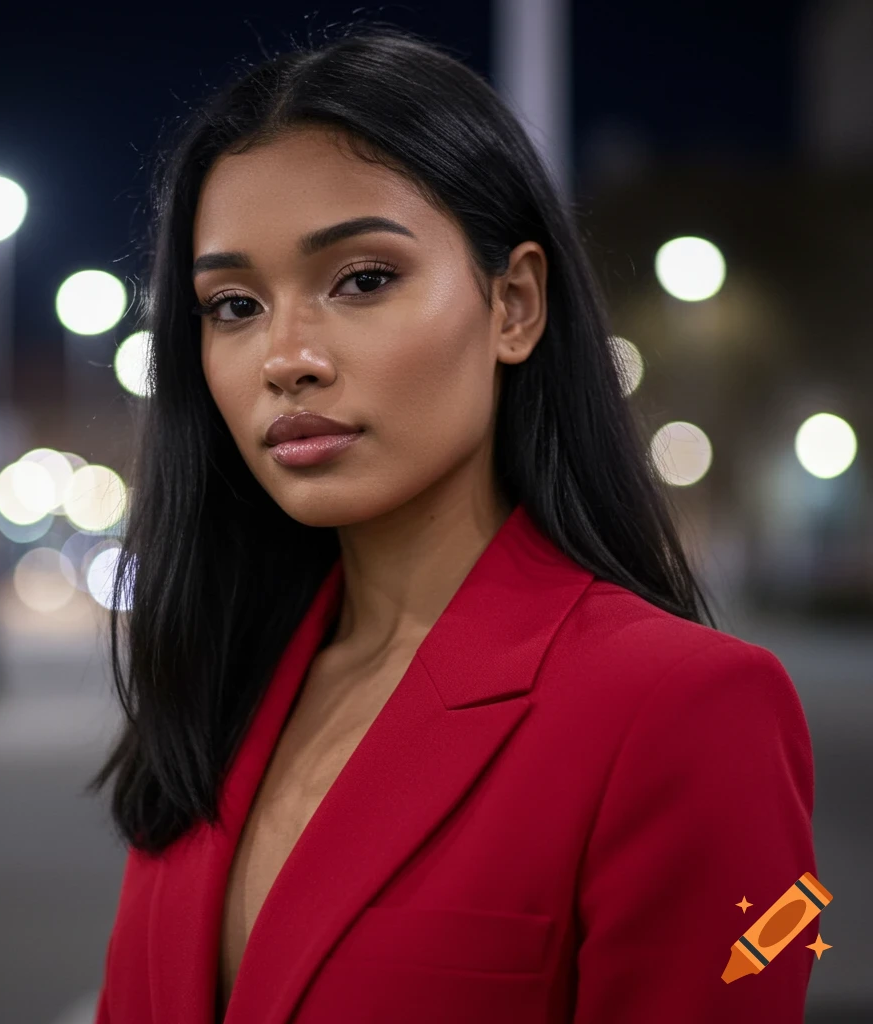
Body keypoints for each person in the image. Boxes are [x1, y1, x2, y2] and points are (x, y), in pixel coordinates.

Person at [87, 22, 818, 1024]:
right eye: (233, 305)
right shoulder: (220, 680)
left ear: (513, 302)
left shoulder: (683, 711)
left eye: (361, 280)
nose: (284, 356)